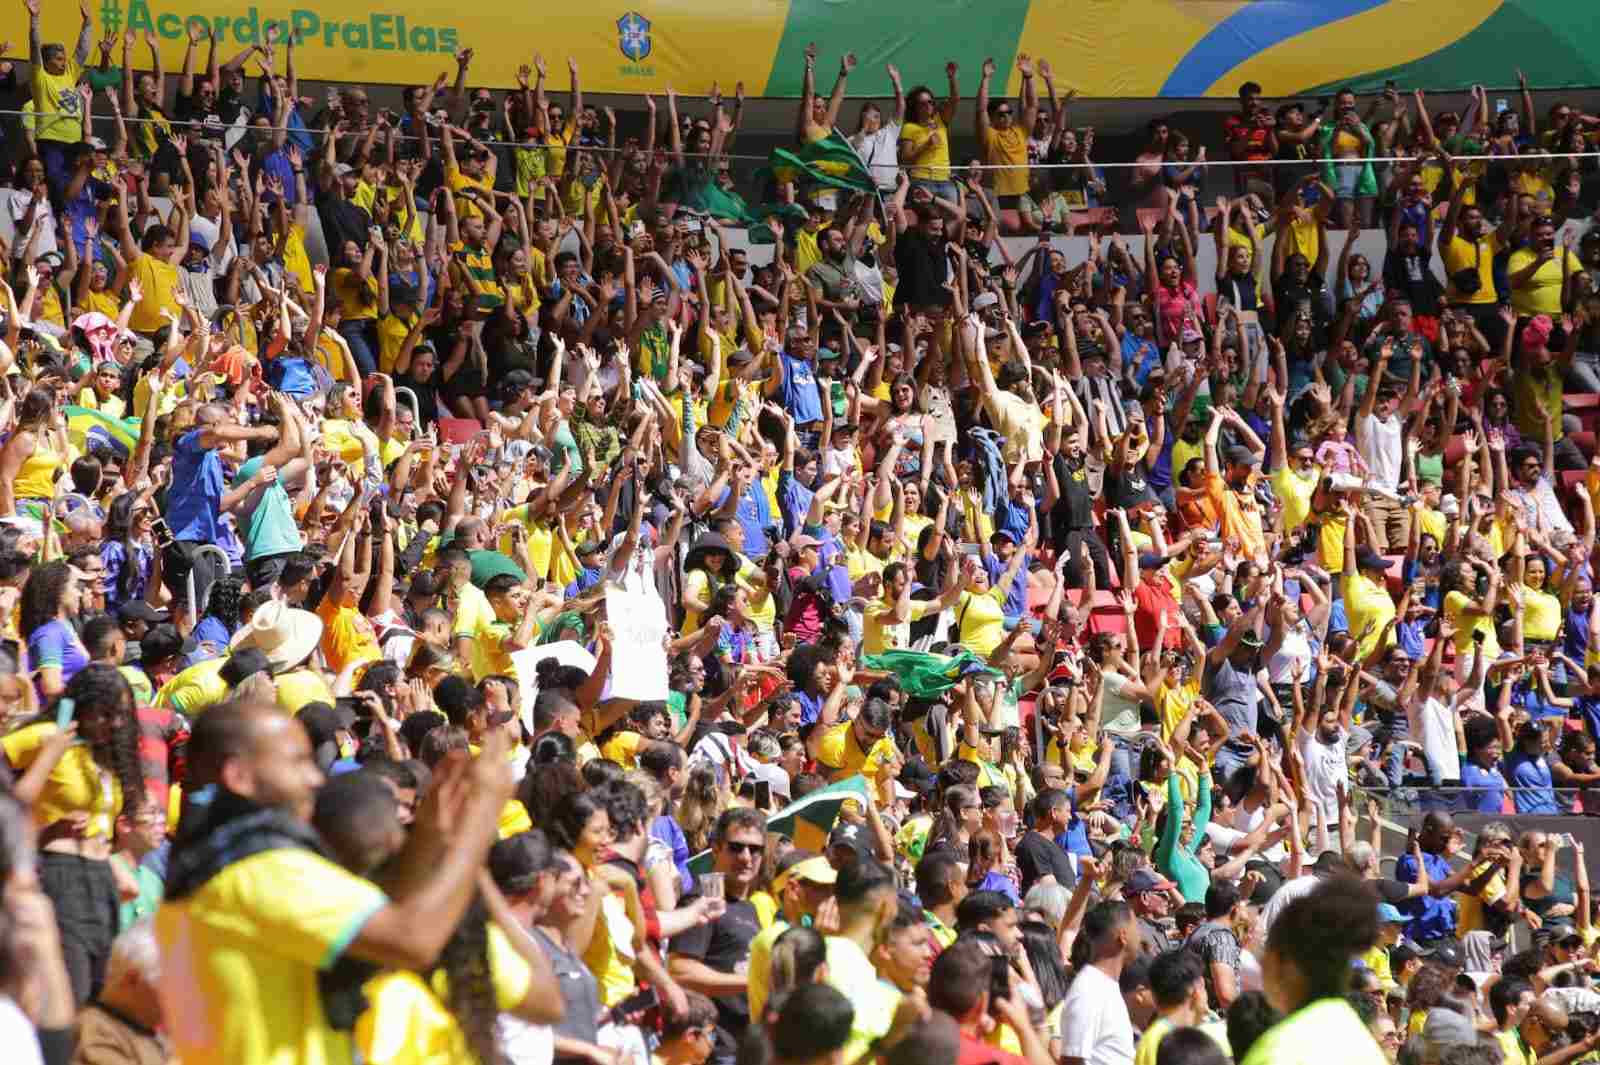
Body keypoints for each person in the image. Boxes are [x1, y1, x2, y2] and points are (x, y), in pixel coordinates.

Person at [154, 698, 514, 1064]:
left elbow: (385, 907)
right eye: (297, 762)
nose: (314, 777)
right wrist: (479, 820)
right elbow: (411, 939)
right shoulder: (263, 871)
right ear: (240, 778)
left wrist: (431, 833)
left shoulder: (217, 862)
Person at [1242, 876, 1387, 1065]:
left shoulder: (1278, 1050)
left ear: (1286, 965)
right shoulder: (1367, 1045)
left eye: (1265, 956)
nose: (1261, 964)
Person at [1060, 901, 1139, 1065]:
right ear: (1123, 936)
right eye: (1136, 929)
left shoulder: (1104, 985)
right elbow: (1072, 1060)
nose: (1140, 937)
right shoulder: (1089, 990)